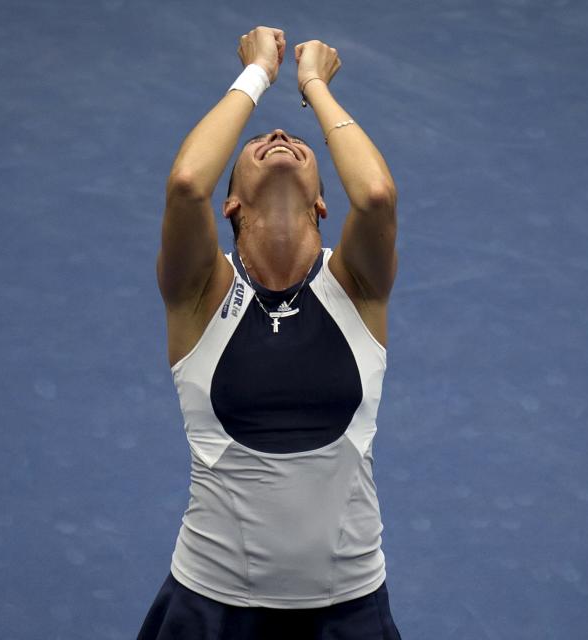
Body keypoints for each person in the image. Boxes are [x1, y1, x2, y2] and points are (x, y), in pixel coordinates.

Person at [138, 25, 401, 639]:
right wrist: (257, 74)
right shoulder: (200, 291)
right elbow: (184, 185)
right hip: (211, 608)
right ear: (229, 205)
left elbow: (378, 195)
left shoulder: (356, 287)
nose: (281, 135)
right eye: (260, 141)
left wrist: (314, 85)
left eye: (295, 140)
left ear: (321, 206)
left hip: (350, 611)